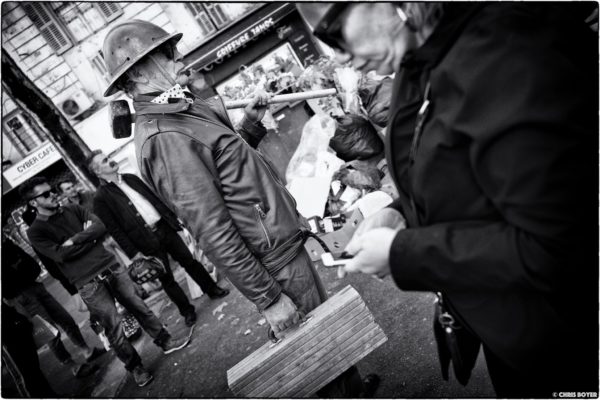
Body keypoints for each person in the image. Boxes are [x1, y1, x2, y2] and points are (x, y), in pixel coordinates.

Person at [298, 2, 598, 397]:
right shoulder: (419, 56)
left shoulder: (506, 53)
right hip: (509, 329)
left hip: (566, 341)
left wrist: (404, 254)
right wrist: (398, 215)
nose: (337, 54)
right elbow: (456, 171)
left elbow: (558, 246)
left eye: (333, 32)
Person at [101, 20, 379, 397]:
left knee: (328, 339)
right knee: (317, 355)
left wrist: (248, 125)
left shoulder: (180, 109)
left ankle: (354, 390)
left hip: (281, 245)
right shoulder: (164, 135)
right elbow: (212, 230)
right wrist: (268, 299)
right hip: (272, 263)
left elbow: (228, 172)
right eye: (167, 53)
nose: (179, 56)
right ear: (137, 72)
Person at [21, 176, 192, 387]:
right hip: (87, 282)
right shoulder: (36, 231)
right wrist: (89, 238)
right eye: (45, 194)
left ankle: (165, 340)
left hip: (111, 266)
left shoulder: (72, 209)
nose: (53, 194)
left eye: (52, 190)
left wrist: (74, 240)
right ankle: (135, 366)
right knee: (114, 328)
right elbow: (60, 256)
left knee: (140, 307)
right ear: (33, 202)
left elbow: (100, 226)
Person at [88, 149, 230, 327]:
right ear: (98, 172)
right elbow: (115, 230)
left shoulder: (131, 178)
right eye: (104, 161)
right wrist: (134, 253)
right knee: (166, 278)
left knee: (189, 261)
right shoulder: (101, 198)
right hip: (144, 241)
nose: (110, 160)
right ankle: (187, 311)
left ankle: (212, 289)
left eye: (108, 157)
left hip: (163, 228)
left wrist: (173, 219)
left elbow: (155, 199)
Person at [1, 234, 103, 377]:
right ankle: (74, 366)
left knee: (66, 319)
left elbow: (34, 266)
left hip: (36, 286)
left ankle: (87, 351)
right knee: (50, 333)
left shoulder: (9, 244)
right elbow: (7, 285)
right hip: (21, 296)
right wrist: (18, 269)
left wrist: (18, 268)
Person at [2, 300, 58, 397]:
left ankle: (52, 396)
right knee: (25, 375)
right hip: (5, 336)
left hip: (13, 321)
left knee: (34, 368)